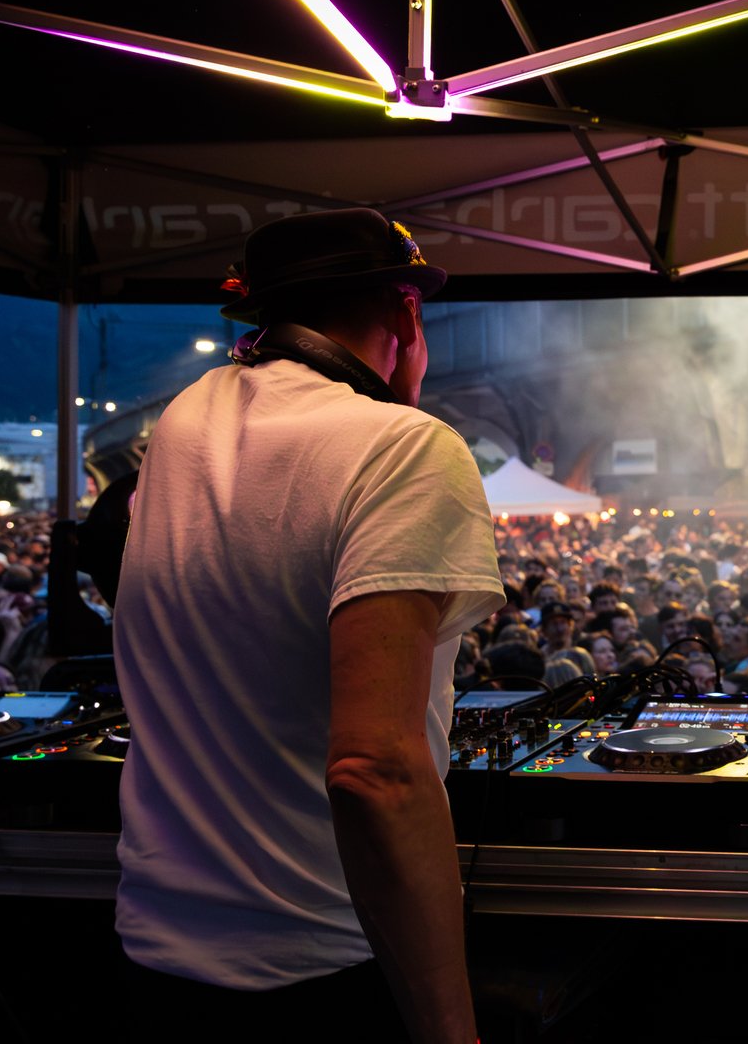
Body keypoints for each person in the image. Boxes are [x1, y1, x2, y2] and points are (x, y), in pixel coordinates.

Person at [114, 208, 503, 1041]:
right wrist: (452, 1031)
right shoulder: (405, 447)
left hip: (154, 954)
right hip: (323, 963)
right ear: (407, 313)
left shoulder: (183, 422)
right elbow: (374, 770)